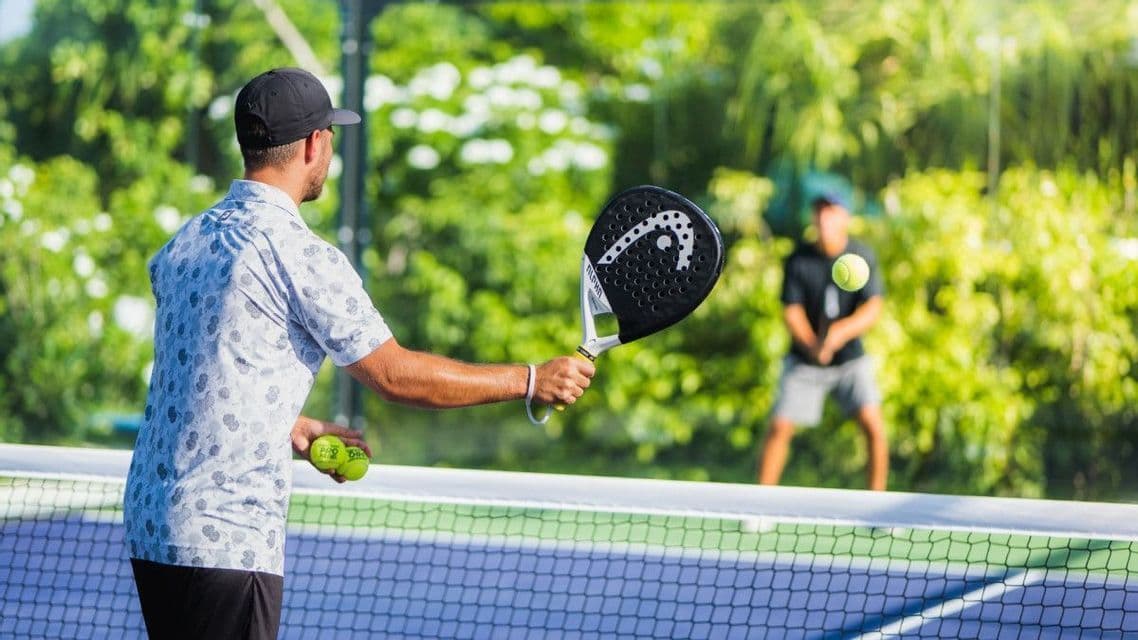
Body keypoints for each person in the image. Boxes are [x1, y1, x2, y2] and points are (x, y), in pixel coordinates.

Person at [122, 67, 594, 640]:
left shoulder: (186, 242)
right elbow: (393, 375)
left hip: (154, 524)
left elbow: (199, 368)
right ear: (316, 143)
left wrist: (286, 425)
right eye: (330, 139)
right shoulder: (298, 254)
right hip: (228, 537)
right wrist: (529, 379)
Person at [756, 191, 888, 491]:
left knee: (874, 426)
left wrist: (840, 332)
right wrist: (814, 346)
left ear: (845, 218)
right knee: (779, 427)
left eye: (831, 211)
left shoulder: (863, 256)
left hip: (851, 360)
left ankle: (878, 504)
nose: (824, 217)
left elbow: (873, 308)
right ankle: (759, 506)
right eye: (819, 211)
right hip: (804, 360)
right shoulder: (798, 259)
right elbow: (791, 311)